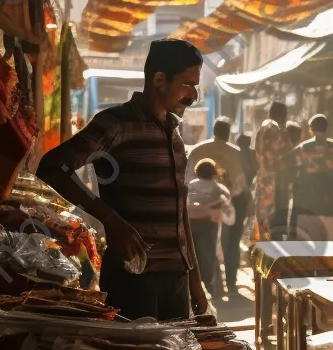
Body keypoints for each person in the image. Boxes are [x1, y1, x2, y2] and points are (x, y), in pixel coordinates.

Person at [37, 38, 211, 320]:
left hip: (175, 280)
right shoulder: (116, 124)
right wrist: (110, 219)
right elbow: (52, 166)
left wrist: (195, 282)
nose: (193, 95)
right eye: (187, 84)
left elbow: (181, 214)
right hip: (133, 280)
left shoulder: (174, 134)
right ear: (159, 79)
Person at [187, 117, 249, 297]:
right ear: (228, 133)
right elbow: (239, 185)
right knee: (228, 246)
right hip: (223, 206)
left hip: (194, 211)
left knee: (199, 249)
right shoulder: (235, 153)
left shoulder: (197, 150)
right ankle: (230, 284)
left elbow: (186, 179)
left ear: (213, 130)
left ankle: (202, 287)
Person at [291, 114, 333, 242]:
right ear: (327, 129)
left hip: (308, 205)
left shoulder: (302, 148)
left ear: (311, 129)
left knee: (309, 250)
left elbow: (293, 174)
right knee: (332, 248)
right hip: (330, 204)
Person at [186, 158, 232, 303]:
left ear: (197, 172)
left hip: (190, 225)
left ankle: (191, 288)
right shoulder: (219, 189)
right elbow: (227, 207)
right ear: (213, 173)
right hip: (209, 225)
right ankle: (209, 288)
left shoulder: (190, 187)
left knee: (192, 256)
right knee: (209, 256)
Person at [253, 101, 293, 240]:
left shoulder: (261, 129)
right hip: (276, 183)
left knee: (264, 222)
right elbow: (289, 156)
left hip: (263, 179)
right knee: (276, 227)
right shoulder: (277, 130)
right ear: (283, 116)